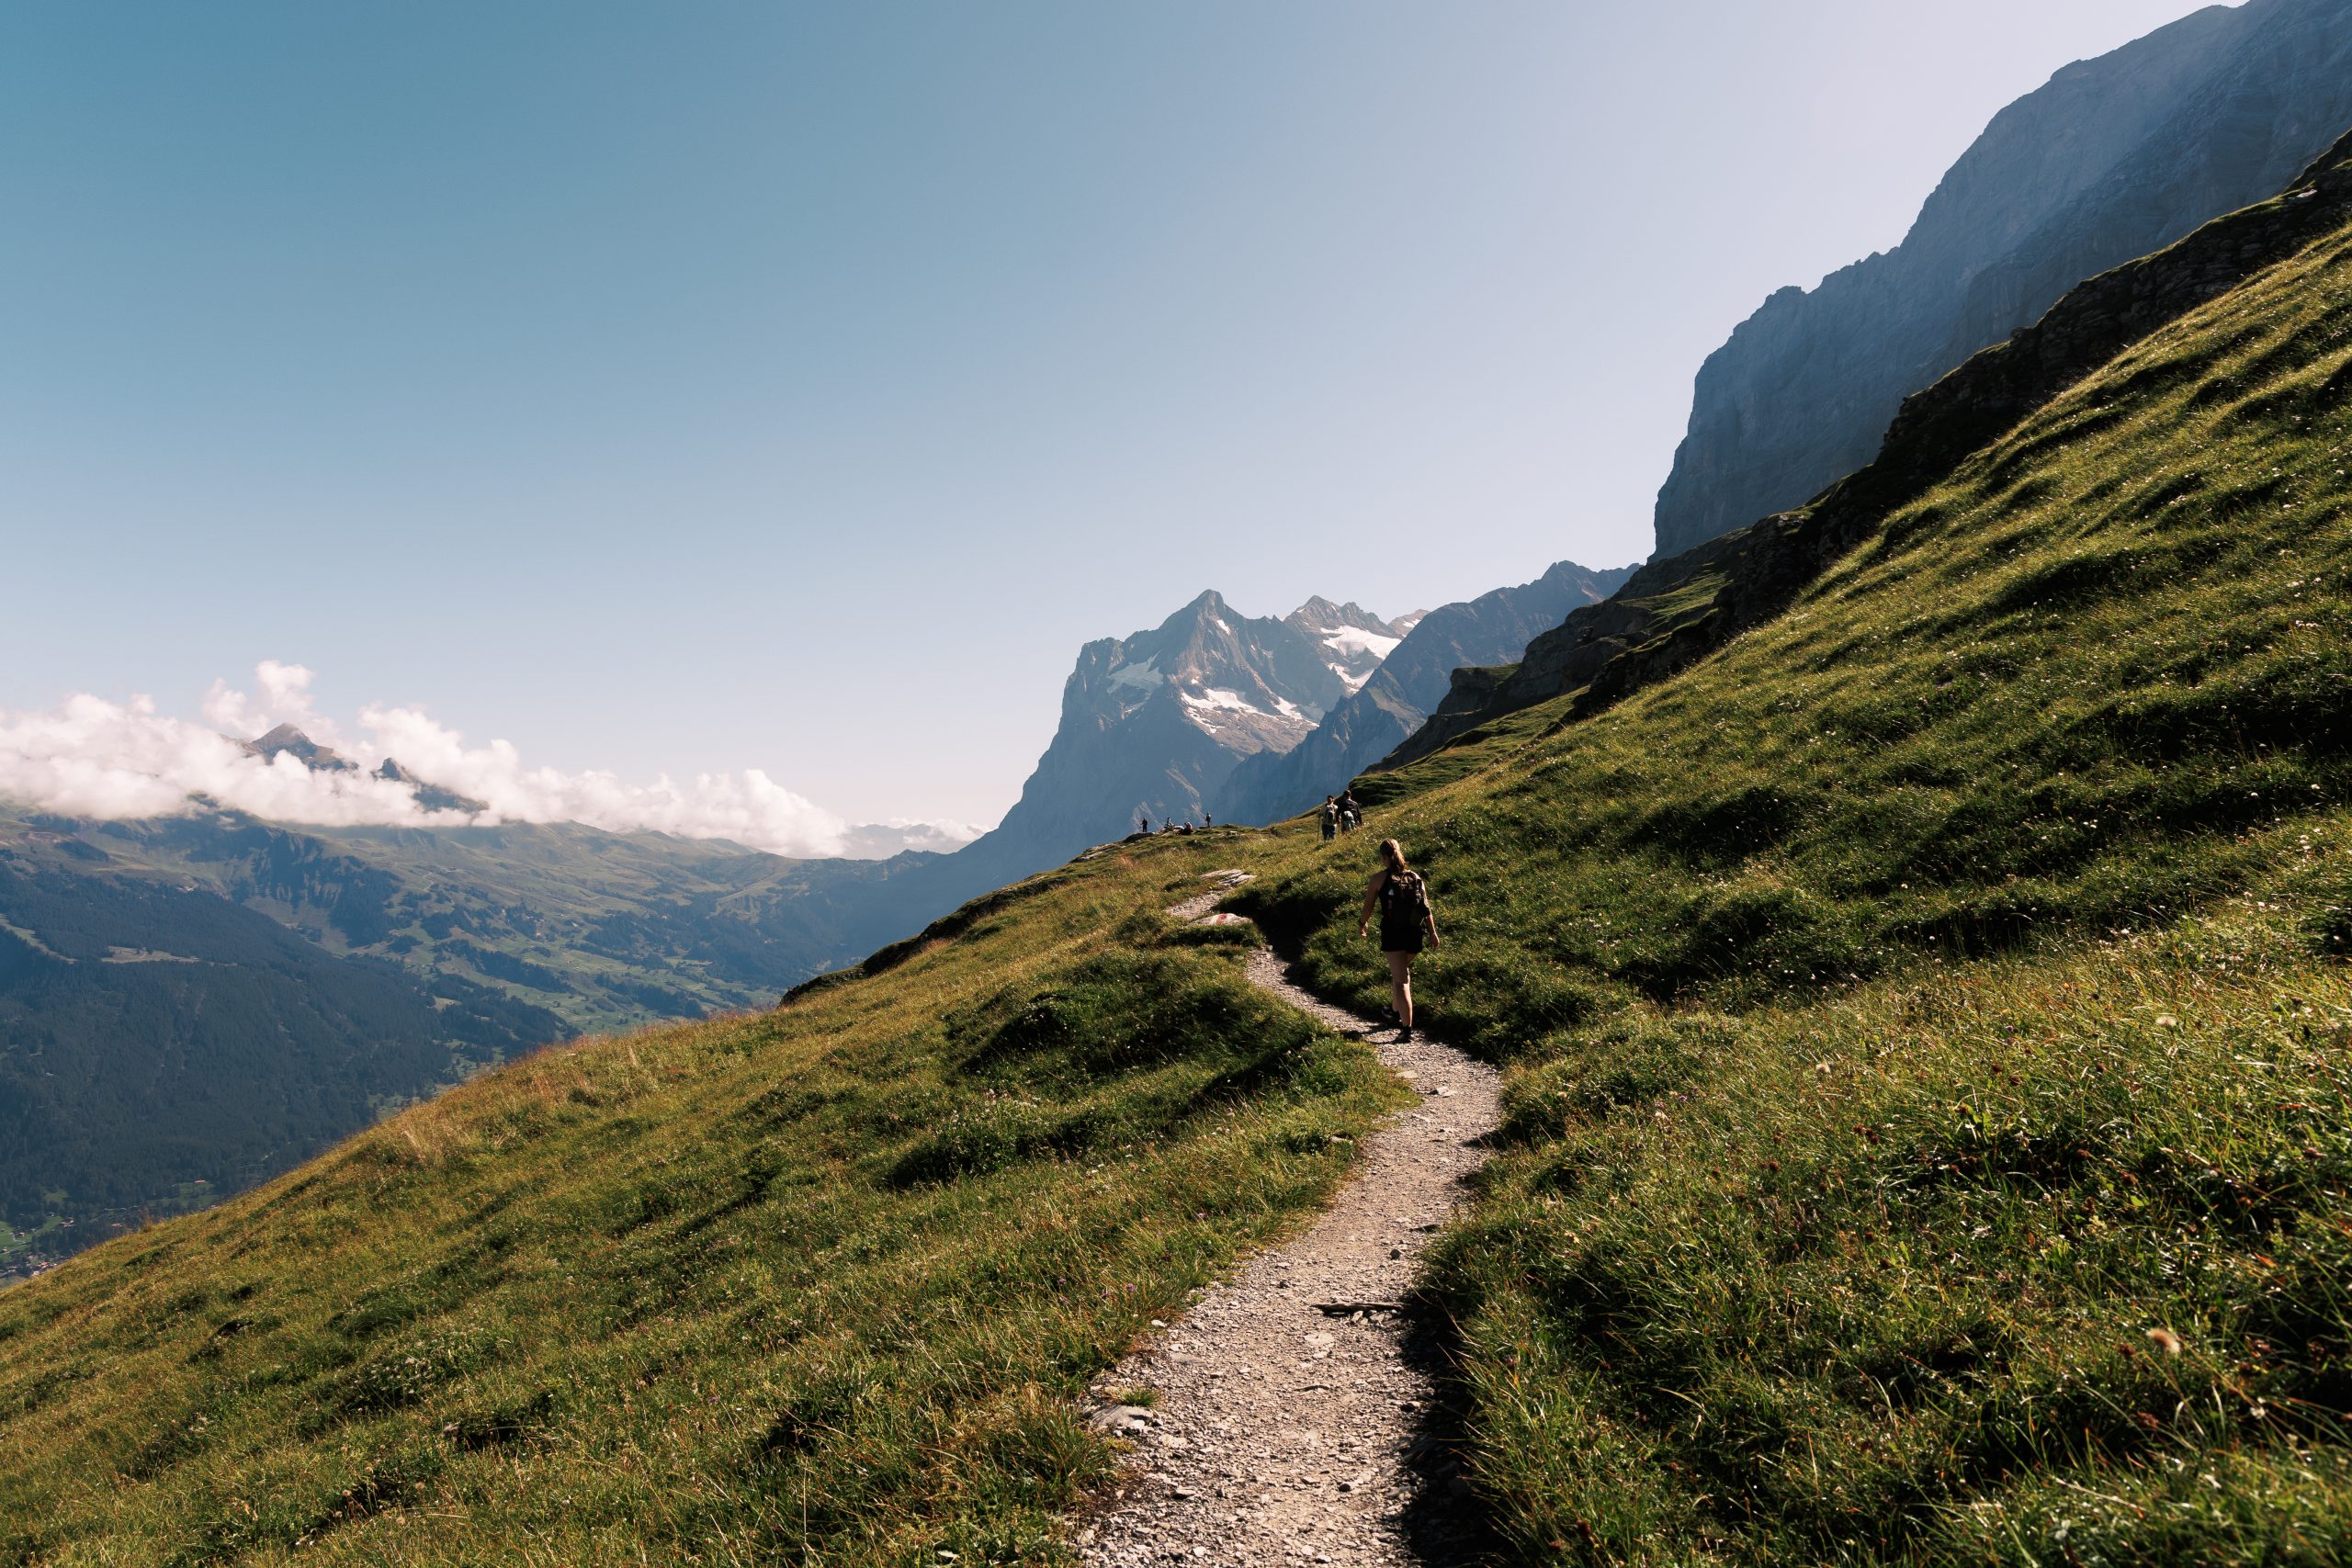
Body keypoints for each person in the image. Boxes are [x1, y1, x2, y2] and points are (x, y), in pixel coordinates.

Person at [1358, 838, 1438, 1041]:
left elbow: (1368, 906)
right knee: (1401, 973)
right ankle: (1394, 1011)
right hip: (1414, 933)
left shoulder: (1378, 879)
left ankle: (1406, 1029)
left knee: (1401, 981)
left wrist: (1362, 923)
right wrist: (1432, 933)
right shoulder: (1415, 877)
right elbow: (1425, 908)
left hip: (1393, 934)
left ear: (1384, 857)